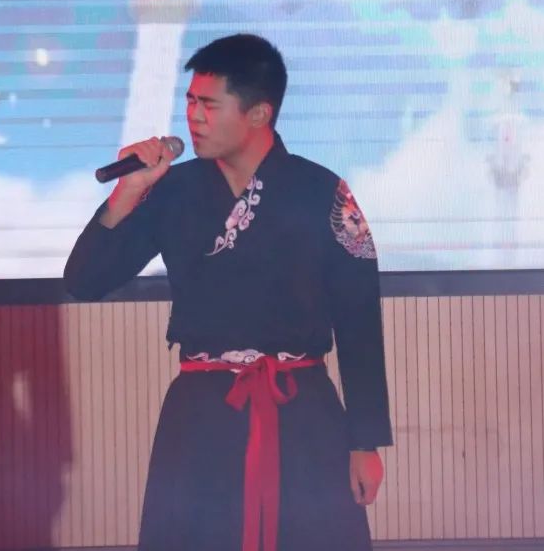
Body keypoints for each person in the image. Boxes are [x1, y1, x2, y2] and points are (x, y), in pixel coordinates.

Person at [64, 34, 393, 551]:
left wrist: (364, 442)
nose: (193, 117)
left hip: (302, 409)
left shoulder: (322, 192)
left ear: (259, 113)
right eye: (190, 101)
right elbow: (84, 282)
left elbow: (359, 322)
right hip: (201, 411)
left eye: (209, 104)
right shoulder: (172, 191)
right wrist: (128, 192)